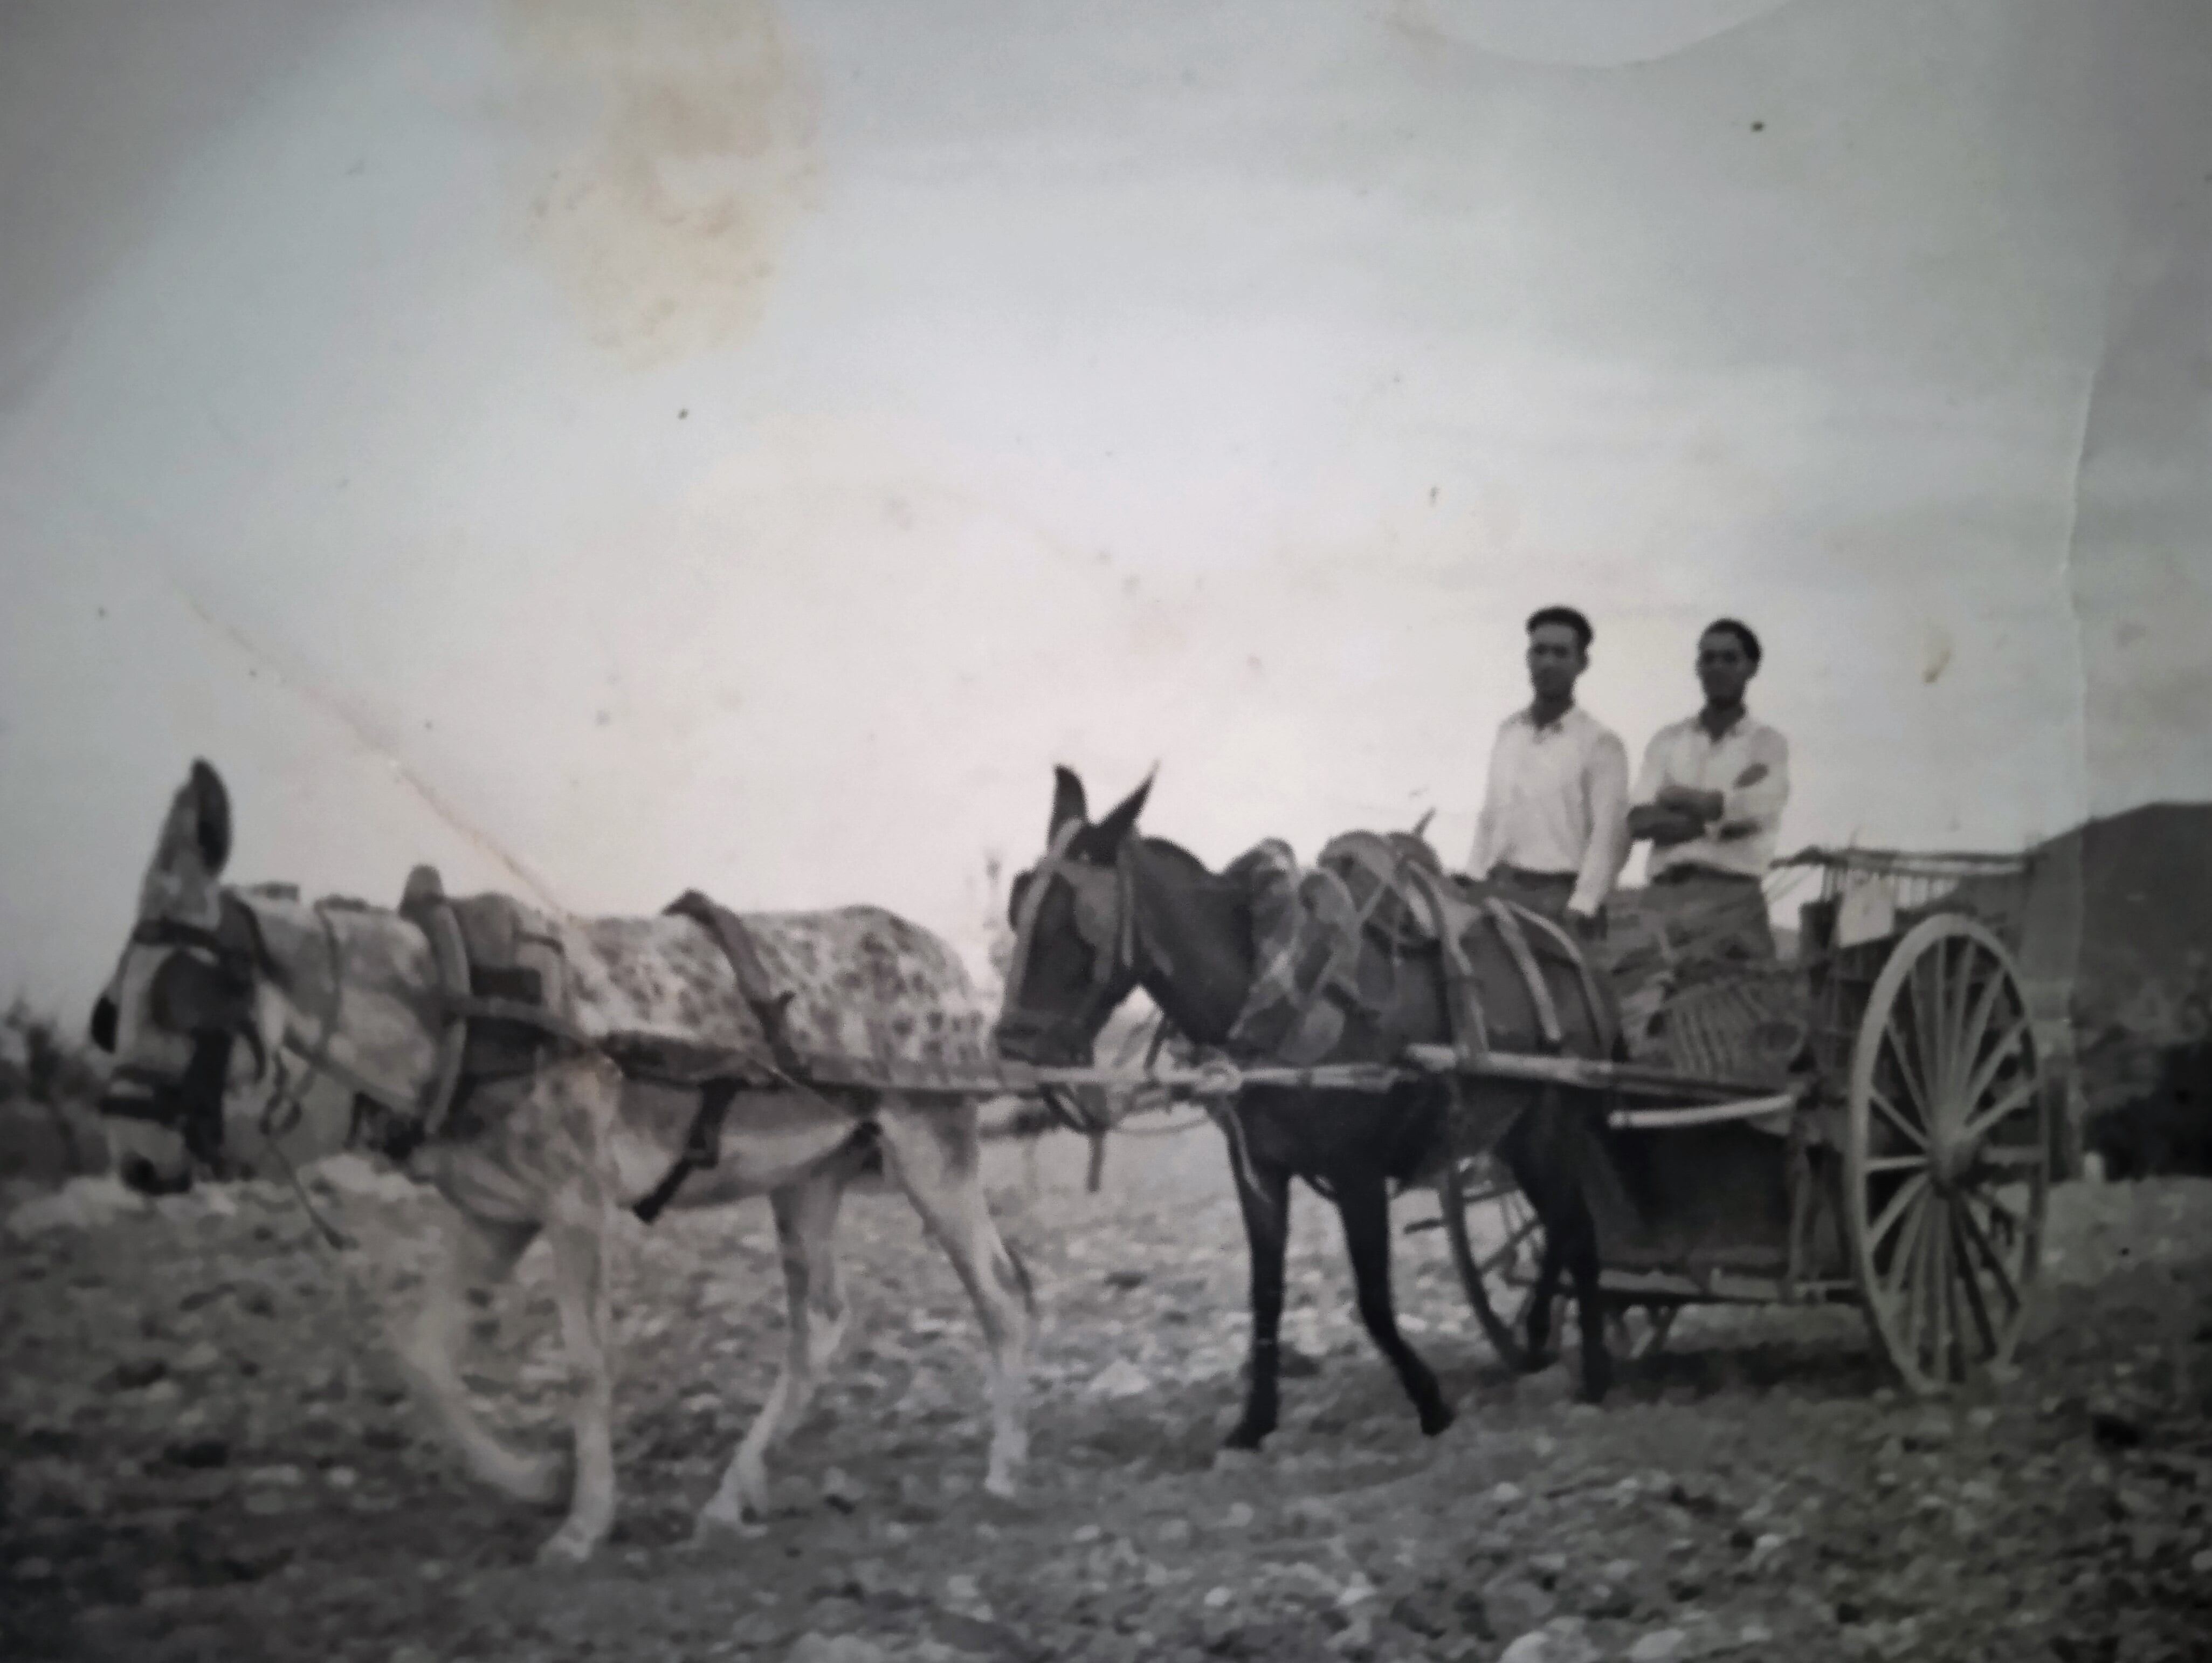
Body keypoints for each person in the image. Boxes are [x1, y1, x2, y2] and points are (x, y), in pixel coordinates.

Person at [1625, 617, 1790, 962]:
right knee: (1637, 1001)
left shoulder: (1766, 745)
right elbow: (1639, 821)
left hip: (1733, 901)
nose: (1717, 667)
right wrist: (1718, 818)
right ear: (1698, 667)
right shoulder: (1667, 741)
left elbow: (1757, 806)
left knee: (1751, 1007)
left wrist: (1675, 797)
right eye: (1708, 658)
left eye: (1730, 659)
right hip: (1665, 898)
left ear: (1752, 668)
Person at [1464, 605, 1631, 941]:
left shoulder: (1600, 744)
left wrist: (1583, 904)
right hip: (1498, 894)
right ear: (1528, 658)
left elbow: (1610, 833)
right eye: (1539, 651)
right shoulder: (1509, 733)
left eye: (1561, 653)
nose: (1548, 663)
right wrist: (1472, 879)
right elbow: (1490, 815)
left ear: (1581, 663)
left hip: (1558, 899)